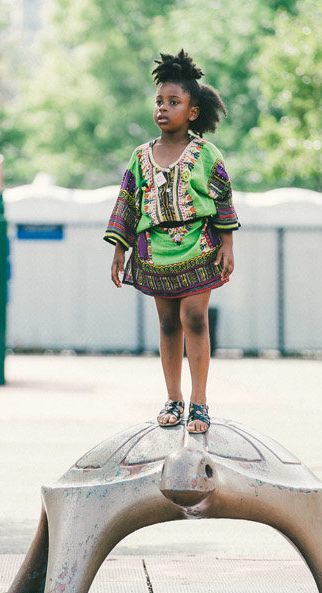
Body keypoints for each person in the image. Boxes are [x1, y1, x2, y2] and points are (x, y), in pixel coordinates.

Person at [104, 50, 238, 434]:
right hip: (154, 251)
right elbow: (128, 202)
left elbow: (223, 198)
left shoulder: (206, 154)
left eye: (173, 102)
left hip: (199, 246)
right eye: (159, 102)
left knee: (194, 318)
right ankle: (172, 399)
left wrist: (227, 246)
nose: (163, 109)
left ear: (193, 111)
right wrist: (119, 249)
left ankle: (200, 403)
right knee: (167, 325)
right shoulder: (140, 155)